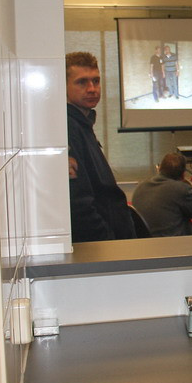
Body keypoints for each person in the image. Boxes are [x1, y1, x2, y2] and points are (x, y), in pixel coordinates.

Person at [65, 51, 136, 242]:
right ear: (64, 87)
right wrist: (106, 240)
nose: (92, 89)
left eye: (96, 81)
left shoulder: (84, 124)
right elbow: (78, 201)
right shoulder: (68, 128)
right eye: (82, 82)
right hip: (99, 244)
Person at [131, 152, 192, 237]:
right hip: (175, 243)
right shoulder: (181, 189)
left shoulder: (140, 187)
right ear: (183, 175)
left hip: (145, 243)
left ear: (160, 168)